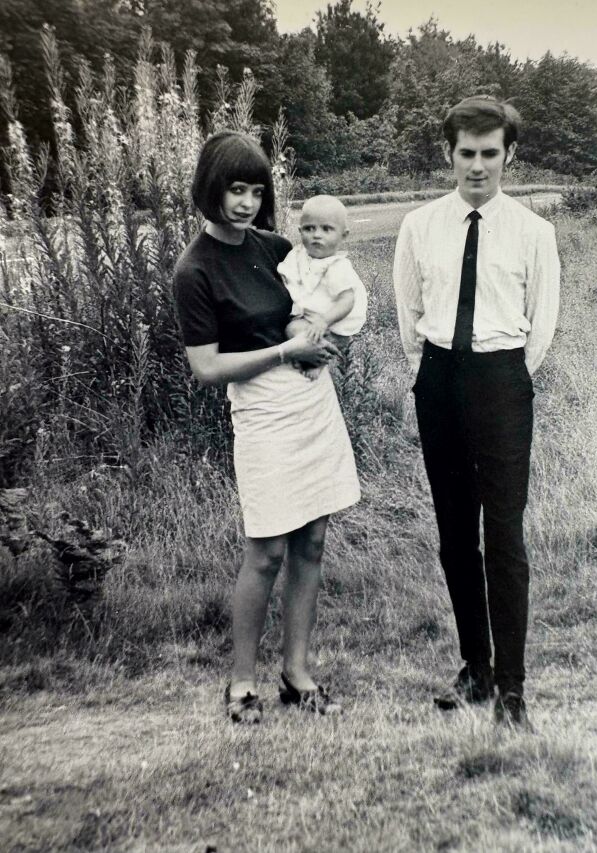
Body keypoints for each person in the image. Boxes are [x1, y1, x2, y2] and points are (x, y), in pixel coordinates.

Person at [173, 131, 361, 724]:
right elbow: (205, 368)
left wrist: (324, 340)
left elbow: (340, 294)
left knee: (312, 540)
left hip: (312, 404)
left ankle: (297, 673)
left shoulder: (278, 248)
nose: (247, 202)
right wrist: (285, 354)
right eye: (235, 189)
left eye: (256, 190)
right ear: (211, 188)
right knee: (265, 550)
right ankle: (241, 684)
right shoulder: (194, 269)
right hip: (260, 410)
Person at [393, 95, 560, 728]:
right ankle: (476, 669)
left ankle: (513, 687)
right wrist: (435, 373)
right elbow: (408, 314)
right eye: (467, 153)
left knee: (505, 534)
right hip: (439, 380)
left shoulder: (533, 232)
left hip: (501, 382)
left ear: (509, 156)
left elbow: (540, 326)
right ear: (449, 154)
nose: (478, 167)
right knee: (455, 533)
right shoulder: (419, 225)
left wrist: (501, 378)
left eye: (491, 154)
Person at [278, 194, 367, 377]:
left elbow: (347, 300)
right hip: (313, 319)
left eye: (327, 229)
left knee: (293, 331)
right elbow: (288, 277)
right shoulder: (299, 256)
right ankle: (307, 356)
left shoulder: (336, 267)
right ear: (300, 231)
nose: (317, 235)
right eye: (309, 228)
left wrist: (324, 321)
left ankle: (317, 362)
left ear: (344, 235)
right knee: (291, 329)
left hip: (334, 326)